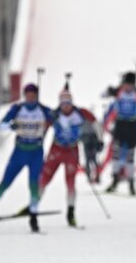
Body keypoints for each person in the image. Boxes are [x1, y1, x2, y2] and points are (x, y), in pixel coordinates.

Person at [0, 83, 53, 232]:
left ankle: (33, 216)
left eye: (33, 95)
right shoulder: (17, 109)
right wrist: (11, 126)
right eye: (27, 95)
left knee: (34, 184)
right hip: (20, 151)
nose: (30, 98)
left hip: (36, 152)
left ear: (36, 95)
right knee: (6, 181)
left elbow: (58, 122)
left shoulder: (44, 110)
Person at [36, 90, 97, 227]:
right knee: (45, 178)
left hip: (72, 150)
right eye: (63, 103)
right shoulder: (55, 114)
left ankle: (71, 212)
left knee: (70, 182)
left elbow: (95, 122)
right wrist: (39, 140)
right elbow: (43, 127)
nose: (66, 106)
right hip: (56, 149)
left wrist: (98, 139)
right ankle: (34, 205)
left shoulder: (80, 113)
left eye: (68, 103)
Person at [105, 71, 136, 195]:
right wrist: (110, 91)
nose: (128, 87)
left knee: (130, 155)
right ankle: (115, 180)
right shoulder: (119, 92)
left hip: (132, 124)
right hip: (120, 124)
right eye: (126, 84)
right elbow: (103, 95)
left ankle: (131, 183)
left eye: (130, 84)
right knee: (116, 153)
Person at [79, 107, 104, 184]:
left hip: (92, 139)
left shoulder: (92, 120)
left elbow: (99, 130)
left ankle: (96, 176)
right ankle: (90, 176)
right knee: (89, 159)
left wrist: (100, 140)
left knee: (93, 159)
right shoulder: (82, 120)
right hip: (87, 139)